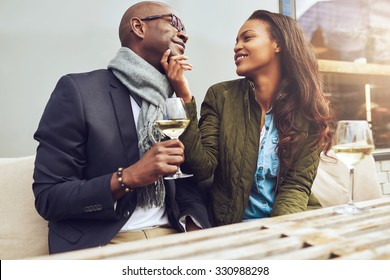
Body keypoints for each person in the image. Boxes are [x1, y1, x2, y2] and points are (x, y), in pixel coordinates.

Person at [33, 1, 210, 254]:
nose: (184, 33)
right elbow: (49, 197)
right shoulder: (79, 91)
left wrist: (194, 226)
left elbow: (185, 181)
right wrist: (128, 177)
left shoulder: (168, 100)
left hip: (172, 237)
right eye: (174, 23)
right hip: (108, 242)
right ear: (138, 27)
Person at [171, 10, 333, 226]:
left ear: (278, 44)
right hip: (234, 228)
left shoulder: (308, 107)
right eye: (236, 41)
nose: (237, 46)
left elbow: (297, 185)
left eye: (247, 38)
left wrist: (276, 234)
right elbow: (201, 168)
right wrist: (183, 95)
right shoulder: (221, 96)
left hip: (289, 223)